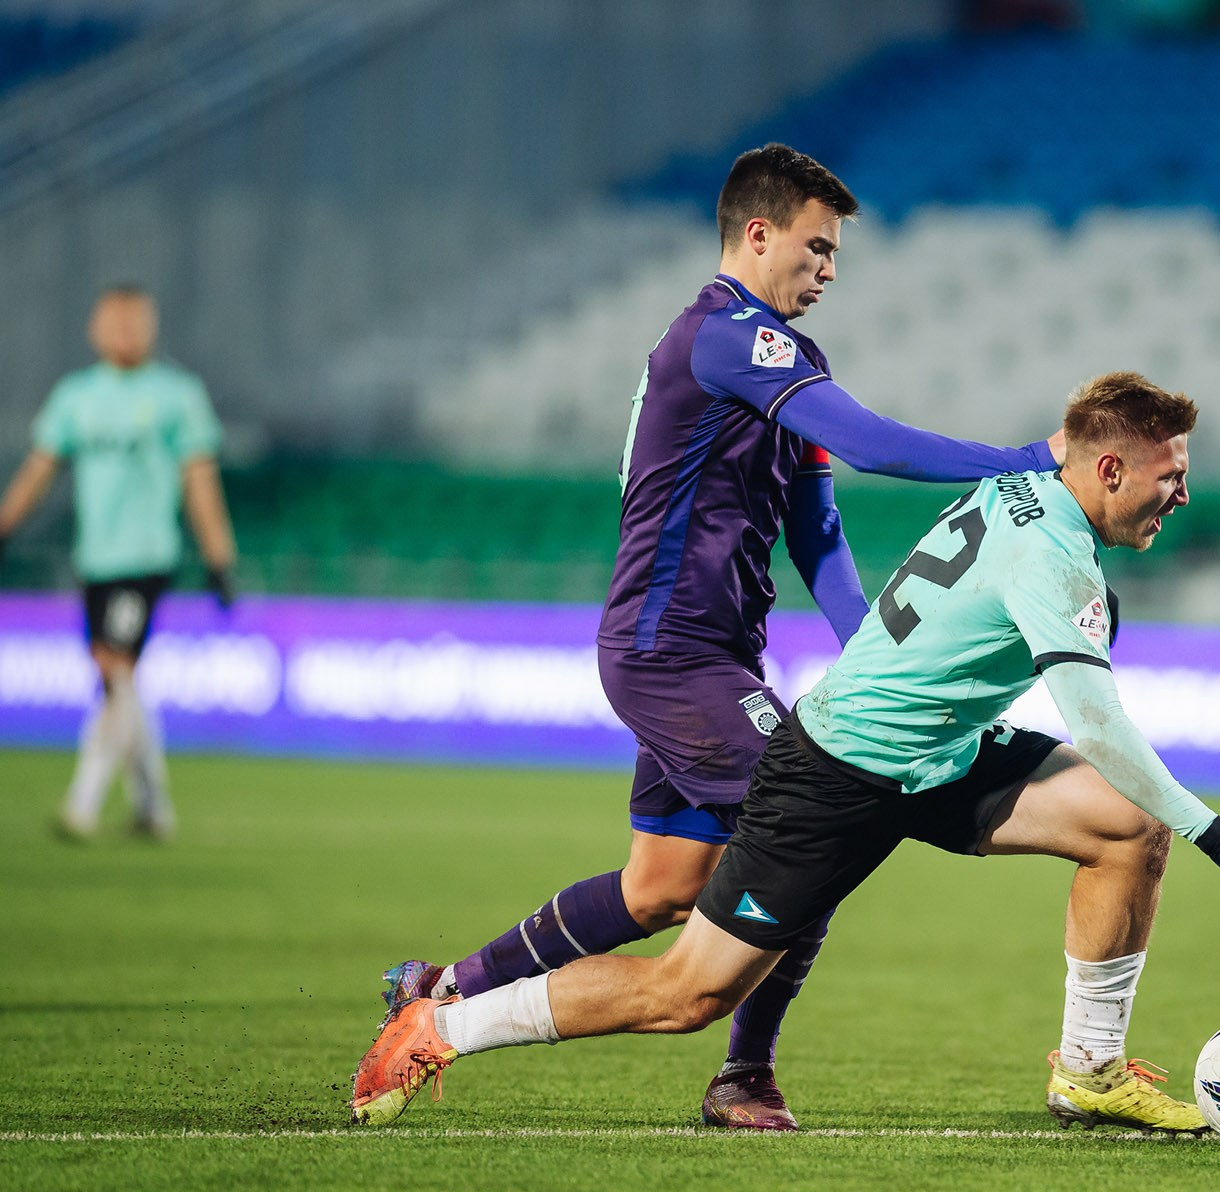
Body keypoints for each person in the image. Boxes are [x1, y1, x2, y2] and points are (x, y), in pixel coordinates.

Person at [350, 371, 1220, 1132]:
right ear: (1108, 469)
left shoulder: (1026, 489)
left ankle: (1090, 1073)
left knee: (1125, 827)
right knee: (685, 990)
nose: (1182, 493)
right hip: (838, 772)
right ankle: (439, 1026)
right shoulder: (1050, 554)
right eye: (1168, 475)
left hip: (937, 755)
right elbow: (1097, 721)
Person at [374, 144, 1068, 1132]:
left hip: (708, 657)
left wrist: (873, 651)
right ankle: (743, 1074)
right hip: (671, 650)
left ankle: (440, 983)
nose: (828, 269)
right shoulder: (724, 336)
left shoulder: (790, 362)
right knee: (820, 819)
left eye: (834, 256)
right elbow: (873, 443)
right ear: (757, 233)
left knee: (659, 885)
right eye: (816, 247)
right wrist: (1027, 462)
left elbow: (815, 527)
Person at [0, 284, 237, 841]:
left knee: (114, 668)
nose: (124, 331)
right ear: (95, 329)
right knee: (120, 679)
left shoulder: (177, 395)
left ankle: (82, 804)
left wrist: (218, 556)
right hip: (96, 559)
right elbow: (40, 467)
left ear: (151, 328)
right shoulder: (76, 396)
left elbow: (199, 478)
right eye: (114, 321)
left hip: (147, 556)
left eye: (134, 322)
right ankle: (153, 806)